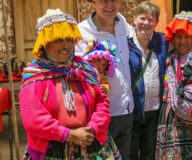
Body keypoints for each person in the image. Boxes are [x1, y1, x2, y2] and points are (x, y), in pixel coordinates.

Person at [19, 9, 120, 159]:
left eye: (69, 40)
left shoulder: (84, 69)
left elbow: (102, 102)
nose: (65, 46)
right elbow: (33, 119)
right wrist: (69, 134)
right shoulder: (35, 75)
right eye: (59, 40)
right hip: (53, 149)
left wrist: (93, 129)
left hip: (91, 142)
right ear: (45, 43)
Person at [75, 0, 133, 160]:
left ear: (120, 2)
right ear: (93, 2)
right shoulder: (81, 32)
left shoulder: (122, 23)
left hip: (126, 109)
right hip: (100, 114)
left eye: (114, 0)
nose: (110, 5)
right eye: (104, 0)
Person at [155, 11, 192, 159]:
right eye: (178, 36)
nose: (182, 41)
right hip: (170, 120)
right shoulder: (169, 58)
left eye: (187, 37)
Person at [127, 1, 168, 160]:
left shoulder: (163, 42)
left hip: (155, 109)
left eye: (151, 19)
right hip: (132, 108)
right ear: (134, 19)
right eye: (142, 18)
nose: (146, 23)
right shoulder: (126, 43)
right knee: (130, 151)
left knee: (149, 152)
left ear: (156, 22)